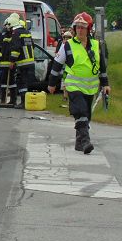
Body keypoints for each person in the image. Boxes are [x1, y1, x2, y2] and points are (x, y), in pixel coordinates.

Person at [48, 12, 110, 154]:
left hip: (90, 88)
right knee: (80, 111)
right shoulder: (67, 45)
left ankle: (78, 143)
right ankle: (85, 141)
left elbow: (102, 68)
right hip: (73, 86)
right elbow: (56, 65)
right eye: (77, 27)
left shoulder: (96, 45)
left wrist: (105, 84)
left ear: (89, 29)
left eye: (83, 27)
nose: (80, 30)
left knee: (86, 115)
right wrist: (52, 84)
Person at [5, 13, 35, 108]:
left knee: (21, 82)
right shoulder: (27, 32)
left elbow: (15, 49)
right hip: (30, 61)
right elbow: (32, 46)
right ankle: (25, 102)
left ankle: (23, 103)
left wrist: (12, 61)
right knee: (25, 82)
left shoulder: (16, 33)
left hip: (22, 62)